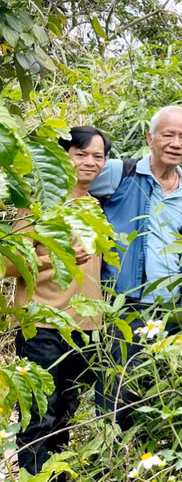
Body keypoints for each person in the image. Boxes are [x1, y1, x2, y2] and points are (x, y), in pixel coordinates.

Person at [4, 127, 110, 474]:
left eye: (98, 156)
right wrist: (58, 257)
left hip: (85, 328)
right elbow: (9, 262)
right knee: (39, 416)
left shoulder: (94, 206)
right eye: (81, 154)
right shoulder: (37, 204)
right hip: (42, 325)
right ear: (62, 158)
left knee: (65, 416)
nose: (90, 162)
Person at [88, 105, 182, 428]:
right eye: (168, 135)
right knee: (117, 393)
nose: (176, 143)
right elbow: (71, 183)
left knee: (157, 394)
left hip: (171, 312)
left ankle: (141, 455)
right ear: (150, 138)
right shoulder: (119, 173)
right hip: (125, 306)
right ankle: (112, 450)